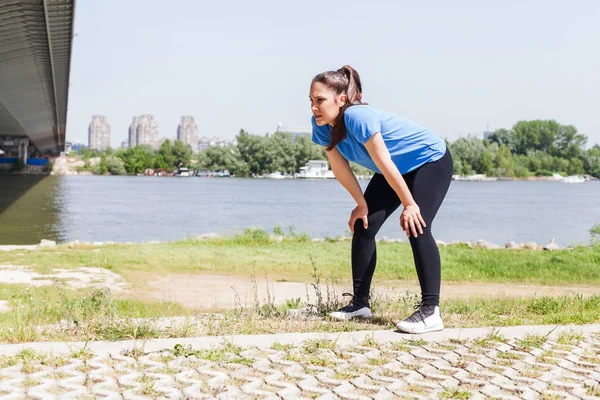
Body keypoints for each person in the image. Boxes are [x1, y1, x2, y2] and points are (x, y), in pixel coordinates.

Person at [309, 65, 453, 334]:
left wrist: (410, 205)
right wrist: (361, 204)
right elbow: (340, 169)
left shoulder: (357, 116)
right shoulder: (322, 127)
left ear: (341, 100)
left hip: (429, 160)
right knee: (364, 225)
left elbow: (384, 162)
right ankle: (360, 304)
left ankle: (431, 311)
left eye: (320, 100)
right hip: (395, 169)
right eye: (311, 101)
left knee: (416, 225)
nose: (314, 107)